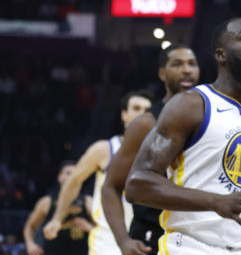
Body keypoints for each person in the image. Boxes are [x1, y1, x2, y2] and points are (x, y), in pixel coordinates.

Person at [125, 18, 241, 255]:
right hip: (191, 247)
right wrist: (216, 201)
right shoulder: (190, 105)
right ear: (220, 55)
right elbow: (137, 185)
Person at [102, 45, 200, 255]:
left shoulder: (209, 118)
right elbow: (110, 186)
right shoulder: (146, 123)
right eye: (177, 64)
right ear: (162, 74)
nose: (186, 70)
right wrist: (123, 241)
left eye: (192, 64)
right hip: (151, 238)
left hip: (195, 238)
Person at [42, 91, 153, 255]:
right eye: (136, 108)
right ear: (124, 114)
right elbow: (74, 181)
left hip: (148, 239)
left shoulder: (160, 151)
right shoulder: (104, 149)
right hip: (108, 241)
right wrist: (57, 218)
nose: (141, 114)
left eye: (146, 110)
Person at [23, 162, 93, 255]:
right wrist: (30, 244)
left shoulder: (88, 202)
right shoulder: (47, 202)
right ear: (59, 177)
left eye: (75, 173)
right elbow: (30, 226)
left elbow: (104, 231)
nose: (72, 176)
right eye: (68, 173)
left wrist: (90, 228)